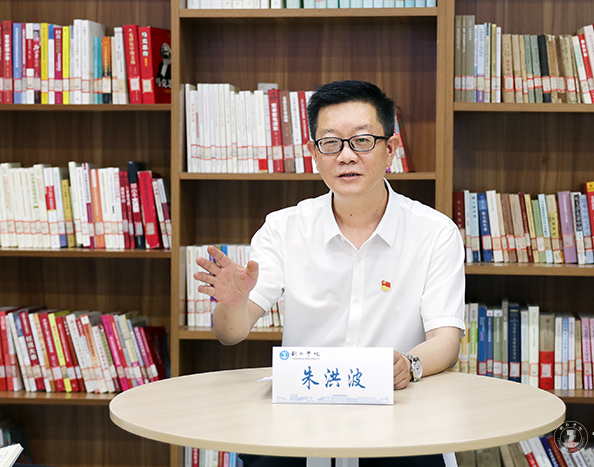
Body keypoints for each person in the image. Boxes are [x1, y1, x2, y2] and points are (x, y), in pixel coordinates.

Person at [194, 80, 466, 467]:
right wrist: (232, 304)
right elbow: (230, 334)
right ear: (314, 154)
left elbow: (446, 340)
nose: (346, 156)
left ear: (390, 149)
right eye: (331, 143)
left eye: (362, 141)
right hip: (300, 417)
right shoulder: (283, 228)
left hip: (400, 416)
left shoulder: (435, 232)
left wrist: (409, 364)